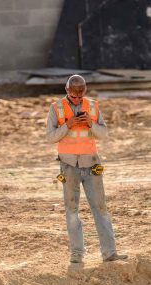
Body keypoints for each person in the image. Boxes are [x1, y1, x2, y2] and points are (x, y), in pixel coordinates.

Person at [46, 74, 127, 263]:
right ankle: (77, 254)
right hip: (68, 166)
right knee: (72, 209)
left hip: (92, 163)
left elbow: (104, 134)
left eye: (80, 96)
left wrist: (91, 124)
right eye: (74, 96)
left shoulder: (92, 106)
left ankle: (109, 252)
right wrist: (67, 125)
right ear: (67, 90)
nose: (77, 100)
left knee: (100, 208)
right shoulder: (56, 108)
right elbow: (50, 137)